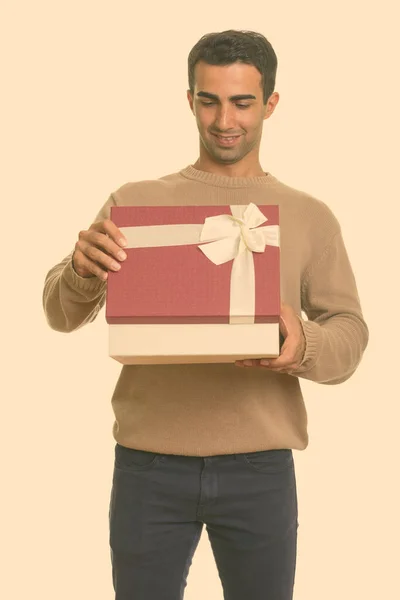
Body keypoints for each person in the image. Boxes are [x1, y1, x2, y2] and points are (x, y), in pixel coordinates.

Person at [42, 29, 369, 600]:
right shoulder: (134, 200)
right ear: (189, 99)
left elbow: (350, 333)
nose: (224, 119)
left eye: (242, 102)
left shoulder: (310, 215)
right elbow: (59, 313)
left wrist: (304, 344)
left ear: (270, 104)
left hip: (261, 470)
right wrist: (80, 271)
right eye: (209, 100)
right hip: (148, 468)